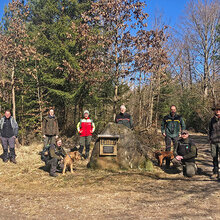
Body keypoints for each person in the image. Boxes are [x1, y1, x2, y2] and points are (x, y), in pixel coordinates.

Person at [209, 104, 220, 180]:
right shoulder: (212, 120)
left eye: (219, 110)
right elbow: (209, 130)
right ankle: (215, 171)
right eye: (217, 110)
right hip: (213, 141)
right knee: (214, 156)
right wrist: (210, 138)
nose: (218, 111)